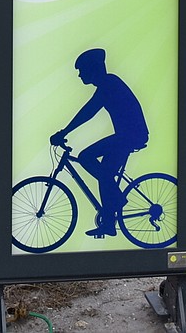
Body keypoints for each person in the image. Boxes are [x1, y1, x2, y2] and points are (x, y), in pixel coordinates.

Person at [50, 48, 149, 238]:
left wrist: (64, 132)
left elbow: (88, 112)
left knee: (87, 158)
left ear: (93, 69)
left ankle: (117, 199)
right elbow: (88, 111)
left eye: (82, 70)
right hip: (127, 136)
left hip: (130, 136)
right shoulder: (107, 84)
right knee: (105, 175)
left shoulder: (109, 84)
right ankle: (109, 222)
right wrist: (65, 131)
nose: (80, 75)